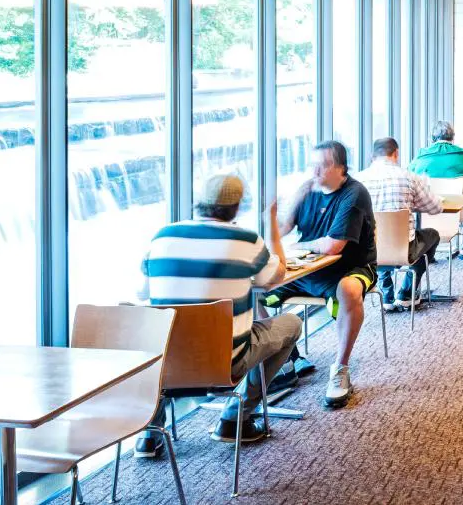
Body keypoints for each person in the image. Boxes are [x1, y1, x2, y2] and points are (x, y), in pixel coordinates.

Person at [136, 173, 302, 453]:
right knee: (292, 323)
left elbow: (143, 293)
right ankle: (236, 417)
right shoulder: (246, 241)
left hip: (164, 367)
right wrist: (271, 222)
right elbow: (275, 277)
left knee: (170, 335)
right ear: (237, 207)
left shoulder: (162, 236)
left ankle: (151, 433)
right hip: (225, 364)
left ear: (198, 202)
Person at [272, 140, 376, 409]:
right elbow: (282, 229)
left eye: (323, 165)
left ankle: (340, 369)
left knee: (350, 290)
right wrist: (272, 213)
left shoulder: (354, 193)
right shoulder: (306, 190)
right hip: (306, 271)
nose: (315, 171)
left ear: (340, 167)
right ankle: (288, 359)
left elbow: (333, 246)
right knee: (255, 295)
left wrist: (299, 245)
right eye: (313, 165)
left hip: (350, 268)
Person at [355, 138, 442, 312]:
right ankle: (407, 293)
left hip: (367, 253)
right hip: (404, 250)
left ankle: (386, 293)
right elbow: (435, 208)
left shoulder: (358, 180)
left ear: (372, 156)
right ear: (396, 153)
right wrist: (410, 205)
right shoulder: (409, 177)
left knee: (377, 238)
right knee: (433, 234)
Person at [409, 121, 463, 261]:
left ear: (432, 138)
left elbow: (410, 175)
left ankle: (426, 251)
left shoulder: (421, 156)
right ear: (453, 138)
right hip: (462, 208)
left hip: (427, 210)